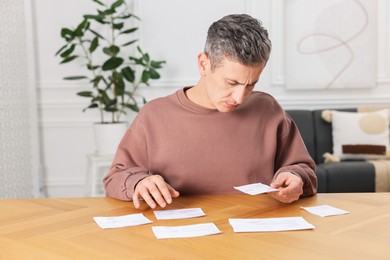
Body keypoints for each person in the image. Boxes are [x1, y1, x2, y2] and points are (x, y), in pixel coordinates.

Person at [103, 14, 317, 209]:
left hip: (255, 239)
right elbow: (115, 178)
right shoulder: (155, 115)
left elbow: (302, 169)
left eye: (251, 84)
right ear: (204, 64)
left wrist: (295, 177)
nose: (240, 97)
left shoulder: (268, 110)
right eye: (231, 82)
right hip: (179, 240)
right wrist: (139, 181)